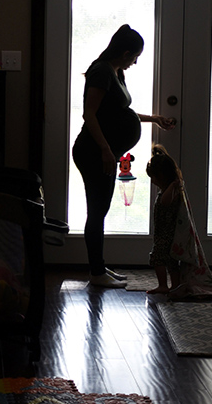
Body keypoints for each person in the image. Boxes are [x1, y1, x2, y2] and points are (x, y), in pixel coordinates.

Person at [72, 24, 175, 288]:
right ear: (125, 52)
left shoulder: (115, 72)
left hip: (106, 152)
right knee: (97, 211)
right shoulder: (101, 71)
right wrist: (106, 149)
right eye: (134, 57)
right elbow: (89, 114)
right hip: (94, 152)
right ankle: (97, 274)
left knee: (101, 210)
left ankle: (100, 267)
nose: (135, 62)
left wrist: (153, 119)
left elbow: (119, 112)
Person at [144, 144, 212, 300]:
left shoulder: (171, 190)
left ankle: (165, 285)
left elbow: (165, 202)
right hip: (166, 233)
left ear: (162, 176)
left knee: (157, 258)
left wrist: (172, 186)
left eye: (153, 177)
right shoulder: (170, 189)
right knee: (171, 261)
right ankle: (174, 286)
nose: (153, 181)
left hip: (166, 235)